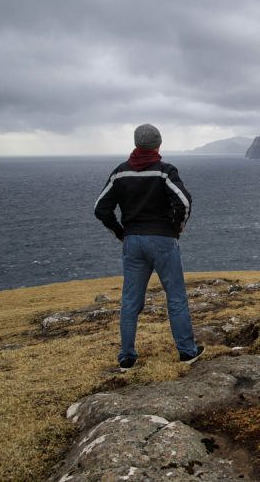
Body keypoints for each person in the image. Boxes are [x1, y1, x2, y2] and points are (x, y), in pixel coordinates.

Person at [94, 123, 204, 372]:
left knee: (130, 300)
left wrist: (120, 233)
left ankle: (127, 357)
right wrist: (177, 226)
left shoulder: (120, 173)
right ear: (158, 144)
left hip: (132, 242)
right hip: (162, 240)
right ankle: (186, 352)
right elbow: (184, 201)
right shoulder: (164, 171)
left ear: (136, 144)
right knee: (175, 296)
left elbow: (100, 208)